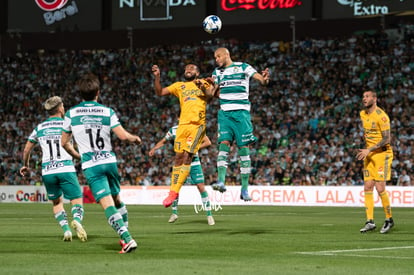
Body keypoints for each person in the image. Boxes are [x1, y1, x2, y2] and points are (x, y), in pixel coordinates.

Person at [61, 73, 141, 253]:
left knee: (107, 204)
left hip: (92, 165)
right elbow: (122, 135)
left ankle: (127, 239)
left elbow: (63, 142)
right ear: (98, 92)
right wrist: (133, 138)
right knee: (116, 198)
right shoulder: (107, 111)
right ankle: (125, 232)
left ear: (80, 93)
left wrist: (77, 155)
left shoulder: (71, 114)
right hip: (109, 161)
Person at [20, 96, 87, 242]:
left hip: (48, 171)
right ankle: (76, 220)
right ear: (60, 108)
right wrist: (80, 156)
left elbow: (26, 150)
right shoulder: (67, 125)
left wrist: (26, 165)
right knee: (76, 199)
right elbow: (76, 144)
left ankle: (66, 230)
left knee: (57, 202)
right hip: (65, 168)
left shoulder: (39, 128)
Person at [151, 63, 216, 208]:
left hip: (197, 125)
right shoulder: (179, 86)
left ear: (197, 73)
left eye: (192, 68)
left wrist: (205, 86)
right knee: (178, 158)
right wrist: (157, 77)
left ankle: (174, 191)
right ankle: (172, 192)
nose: (188, 70)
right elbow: (160, 92)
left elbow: (210, 95)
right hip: (182, 126)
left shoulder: (203, 82)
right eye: (186, 68)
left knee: (188, 155)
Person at [211, 47, 270, 201]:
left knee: (243, 148)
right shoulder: (217, 72)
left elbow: (261, 80)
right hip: (224, 114)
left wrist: (265, 78)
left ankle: (244, 189)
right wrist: (207, 86)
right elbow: (211, 93)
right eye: (215, 57)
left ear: (226, 54)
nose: (216, 59)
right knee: (223, 144)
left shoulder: (243, 67)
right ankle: (221, 181)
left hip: (241, 114)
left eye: (218, 56)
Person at [149, 125, 215, 225]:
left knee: (201, 187)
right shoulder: (174, 130)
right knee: (175, 188)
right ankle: (174, 213)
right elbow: (163, 141)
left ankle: (209, 215)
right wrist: (154, 148)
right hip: (180, 164)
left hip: (194, 162)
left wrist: (194, 148)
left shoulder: (195, 128)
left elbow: (208, 142)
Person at [356, 90, 394, 234]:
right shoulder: (362, 114)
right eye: (363, 96)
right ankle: (370, 221)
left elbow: (386, 139)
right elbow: (368, 133)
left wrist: (369, 149)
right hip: (369, 154)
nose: (364, 99)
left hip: (382, 154)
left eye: (367, 96)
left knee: (380, 188)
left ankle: (389, 219)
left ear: (375, 98)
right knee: (367, 187)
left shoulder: (382, 117)